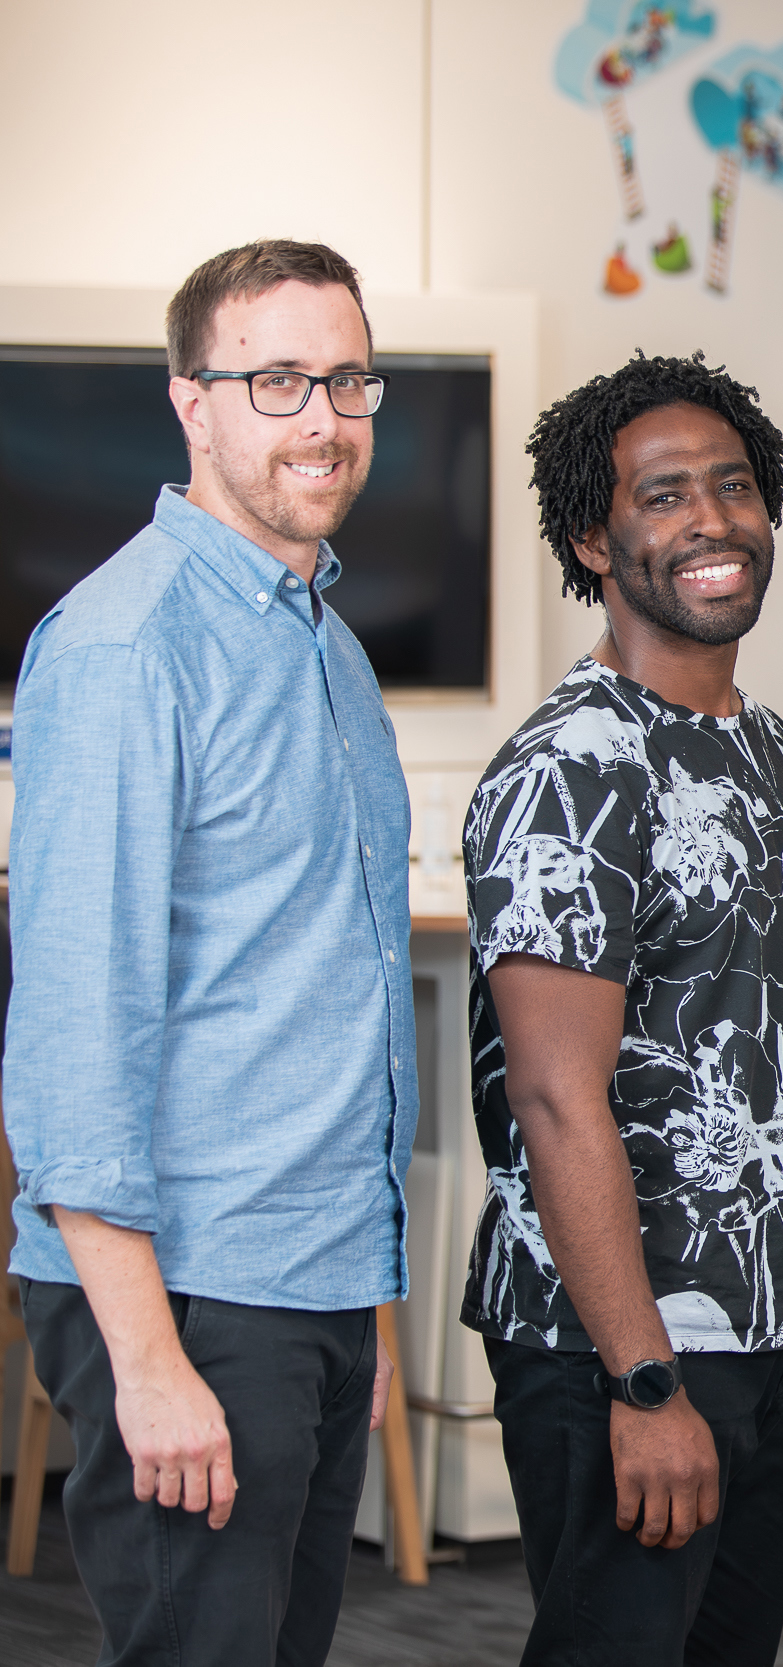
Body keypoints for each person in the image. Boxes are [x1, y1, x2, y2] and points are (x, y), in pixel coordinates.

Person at [5, 239, 412, 1664]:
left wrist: (353, 1297)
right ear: (194, 403)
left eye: (349, 378)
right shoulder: (129, 645)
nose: (323, 417)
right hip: (183, 1287)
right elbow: (74, 1030)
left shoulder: (325, 644)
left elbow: (326, 1003)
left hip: (303, 1281)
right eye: (279, 378)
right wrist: (147, 1357)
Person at [461, 353, 783, 1665]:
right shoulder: (571, 766)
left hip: (768, 1329)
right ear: (592, 533)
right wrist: (643, 1377)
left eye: (732, 486)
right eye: (665, 494)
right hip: (625, 1339)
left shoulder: (769, 747)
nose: (710, 520)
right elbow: (557, 1096)